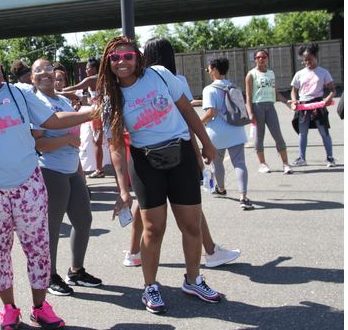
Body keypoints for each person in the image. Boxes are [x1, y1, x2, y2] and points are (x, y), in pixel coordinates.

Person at [0, 41, 93, 330]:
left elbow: (51, 119)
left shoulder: (19, 94)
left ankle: (40, 307)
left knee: (38, 249)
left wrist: (90, 113)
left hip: (27, 185)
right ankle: (8, 309)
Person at [94, 36, 221, 314]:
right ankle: (150, 286)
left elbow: (187, 109)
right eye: (115, 58)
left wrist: (207, 144)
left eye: (128, 56)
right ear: (109, 63)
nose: (122, 62)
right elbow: (115, 147)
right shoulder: (110, 97)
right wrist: (123, 190)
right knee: (154, 228)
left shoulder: (160, 75)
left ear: (138, 57)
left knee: (191, 224)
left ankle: (193, 280)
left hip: (181, 153)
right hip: (145, 161)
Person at [121, 37, 240, 269]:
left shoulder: (153, 77)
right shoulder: (174, 77)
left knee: (146, 208)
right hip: (179, 148)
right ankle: (211, 251)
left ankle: (134, 252)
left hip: (149, 156)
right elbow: (185, 118)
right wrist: (198, 151)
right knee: (188, 209)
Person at [29, 58, 102, 297]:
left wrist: (80, 171)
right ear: (32, 78)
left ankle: (76, 271)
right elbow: (38, 142)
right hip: (50, 170)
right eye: (37, 70)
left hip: (72, 170)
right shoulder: (36, 103)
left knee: (83, 222)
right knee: (52, 227)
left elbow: (75, 137)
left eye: (48, 68)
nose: (44, 73)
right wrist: (67, 140)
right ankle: (49, 276)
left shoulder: (62, 100)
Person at [200, 57, 254, 211]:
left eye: (209, 68)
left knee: (218, 163)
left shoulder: (209, 89)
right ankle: (243, 197)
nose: (208, 71)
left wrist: (200, 122)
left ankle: (221, 189)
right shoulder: (232, 86)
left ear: (214, 69)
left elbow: (210, 113)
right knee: (239, 163)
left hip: (217, 133)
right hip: (236, 130)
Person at [245, 49, 294, 174]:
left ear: (267, 58)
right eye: (258, 57)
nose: (261, 59)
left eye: (264, 56)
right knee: (259, 137)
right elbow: (249, 96)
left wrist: (286, 102)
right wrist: (250, 113)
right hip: (258, 106)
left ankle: (286, 163)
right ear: (255, 58)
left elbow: (276, 92)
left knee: (277, 134)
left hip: (270, 106)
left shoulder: (271, 73)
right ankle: (262, 164)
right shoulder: (251, 74)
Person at [290, 42, 336, 167]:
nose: (307, 62)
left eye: (309, 59)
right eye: (305, 60)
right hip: (303, 106)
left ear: (315, 57)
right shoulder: (299, 74)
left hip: (318, 105)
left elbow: (333, 89)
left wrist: (328, 99)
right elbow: (294, 91)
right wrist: (294, 101)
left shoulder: (323, 72)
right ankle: (302, 158)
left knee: (324, 131)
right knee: (302, 133)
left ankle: (330, 158)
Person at [63, 57, 105, 178]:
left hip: (98, 112)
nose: (86, 71)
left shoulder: (92, 79)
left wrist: (57, 91)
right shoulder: (105, 78)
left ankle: (99, 169)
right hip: (107, 111)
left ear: (94, 69)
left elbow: (76, 87)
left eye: (87, 68)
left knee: (97, 142)